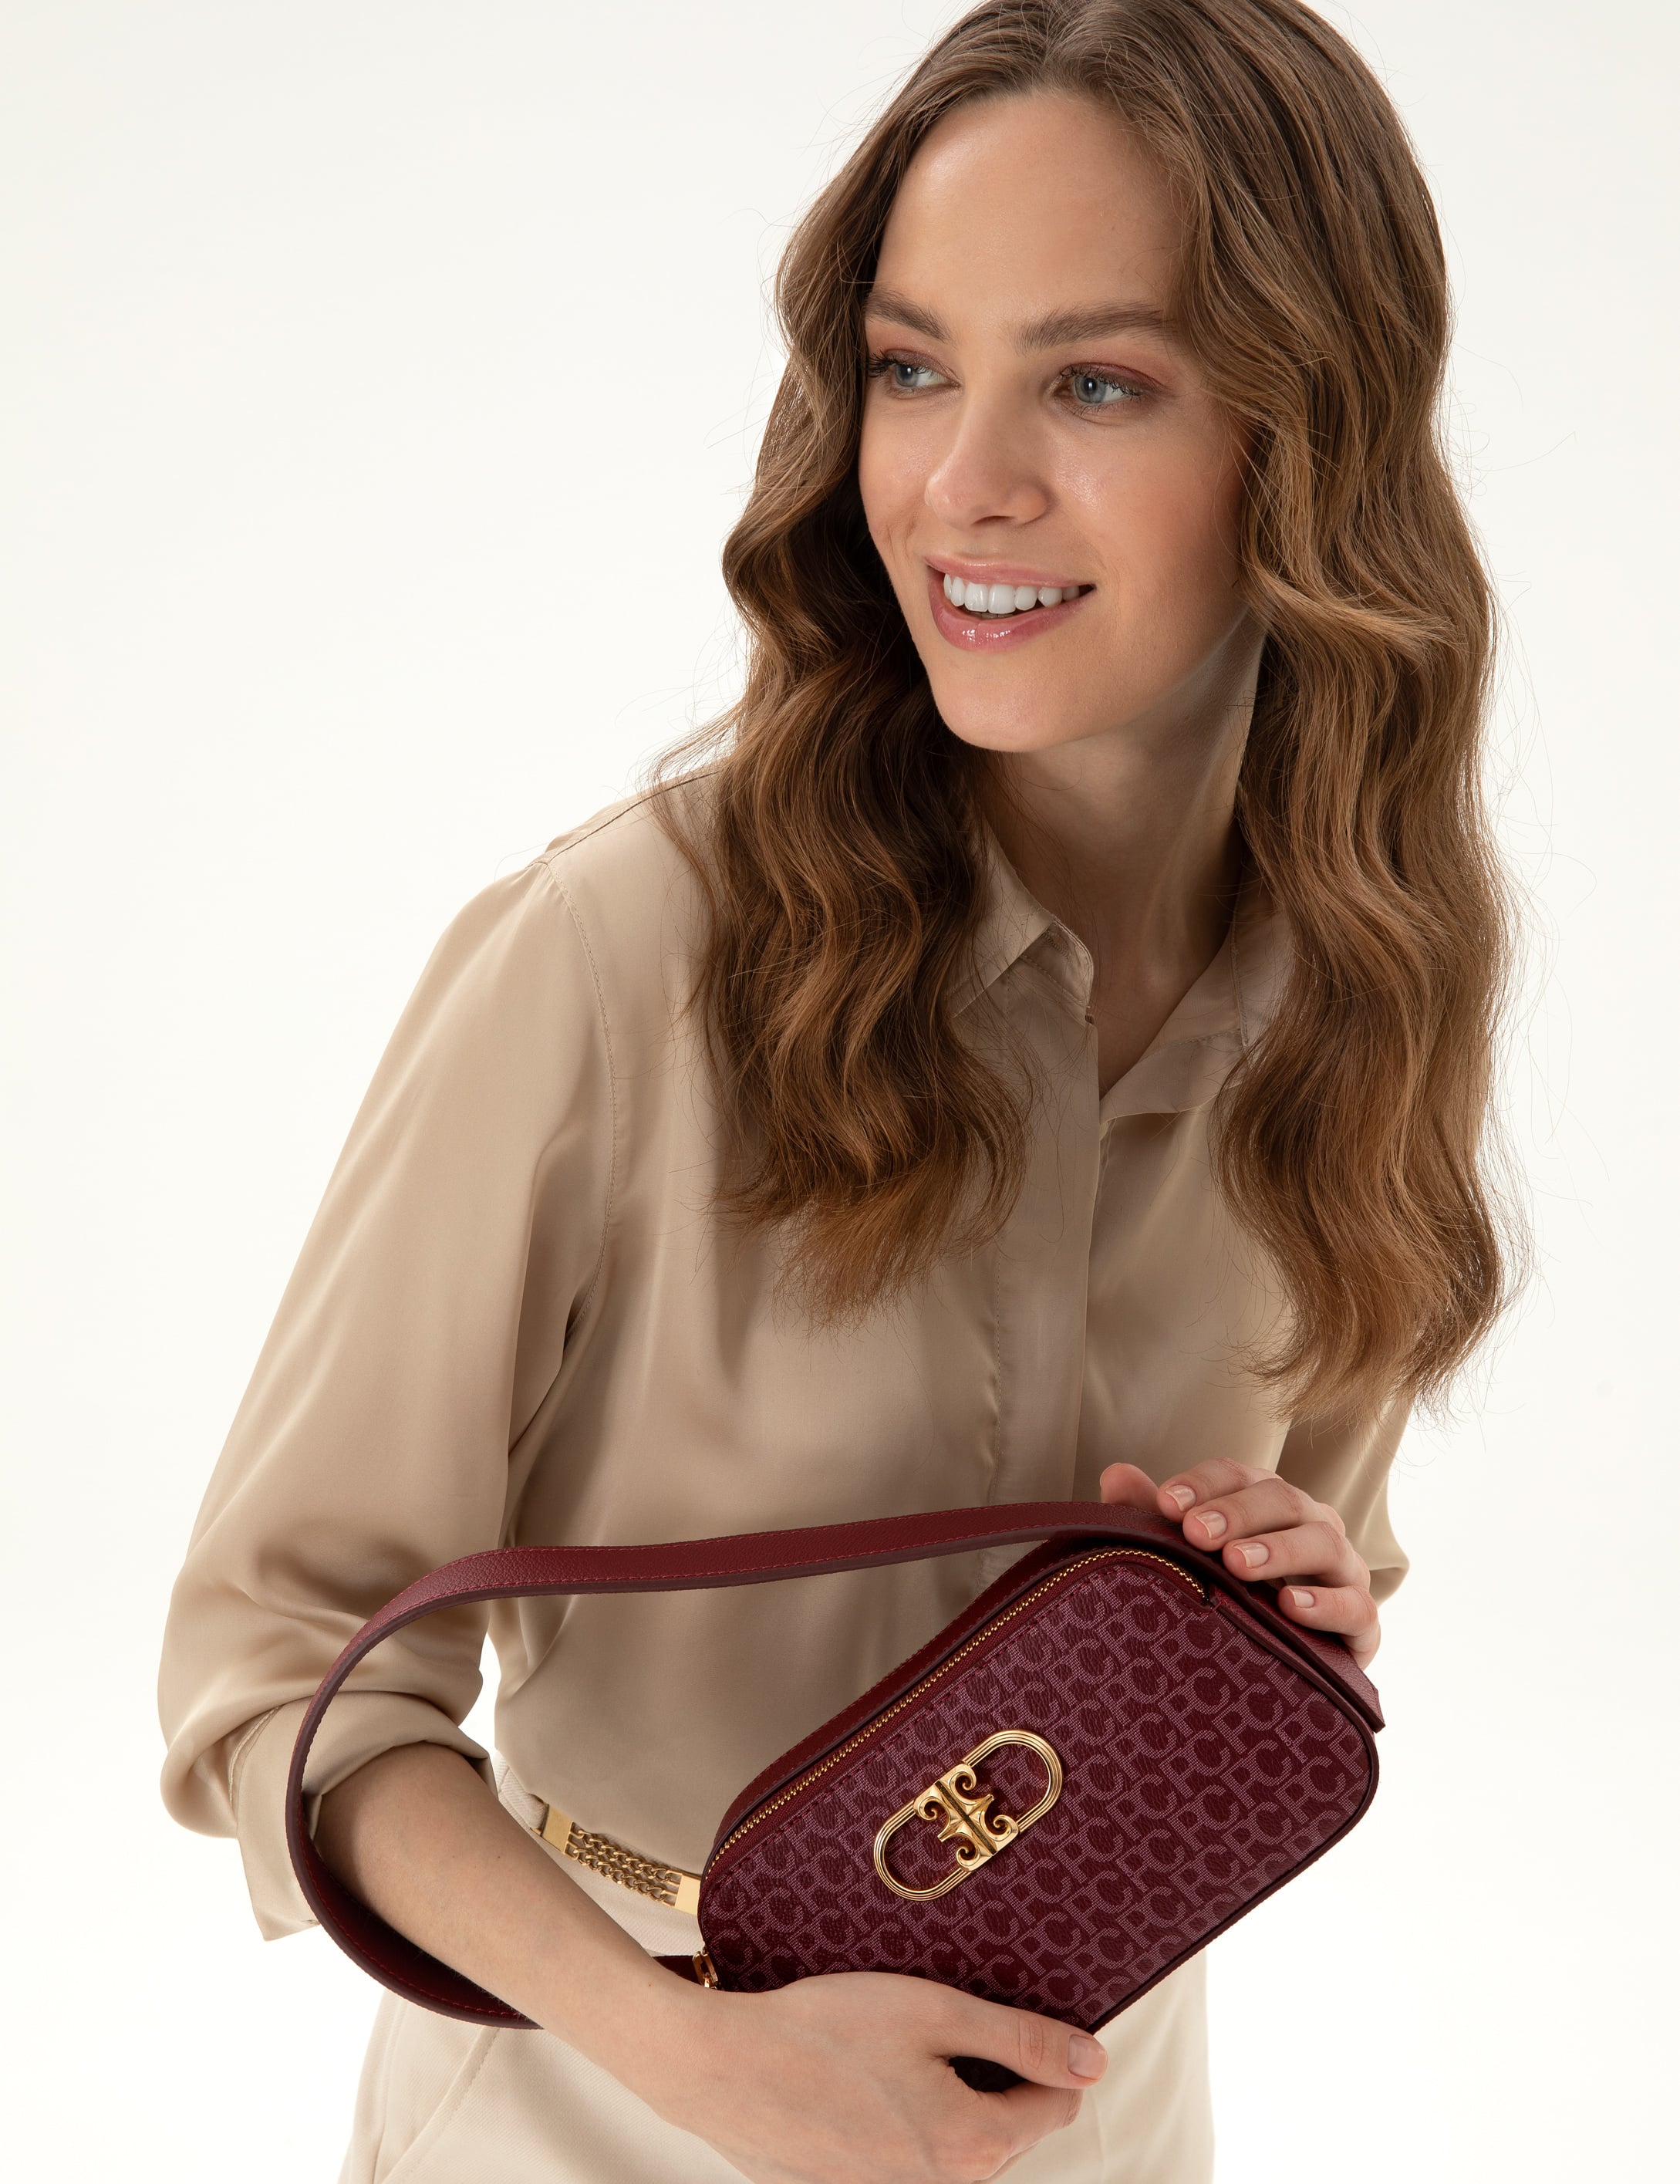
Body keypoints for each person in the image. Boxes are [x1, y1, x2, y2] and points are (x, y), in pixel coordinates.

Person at [156, 3, 1518, 2178]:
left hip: (1107, 2123)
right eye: (910, 367)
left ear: (1309, 434)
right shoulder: (614, 958)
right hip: (595, 2120)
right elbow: (280, 1674)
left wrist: (1302, 1617)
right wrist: (690, 2052)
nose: (962, 483)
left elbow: (1315, 1564)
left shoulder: (1371, 983)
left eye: (1095, 381)